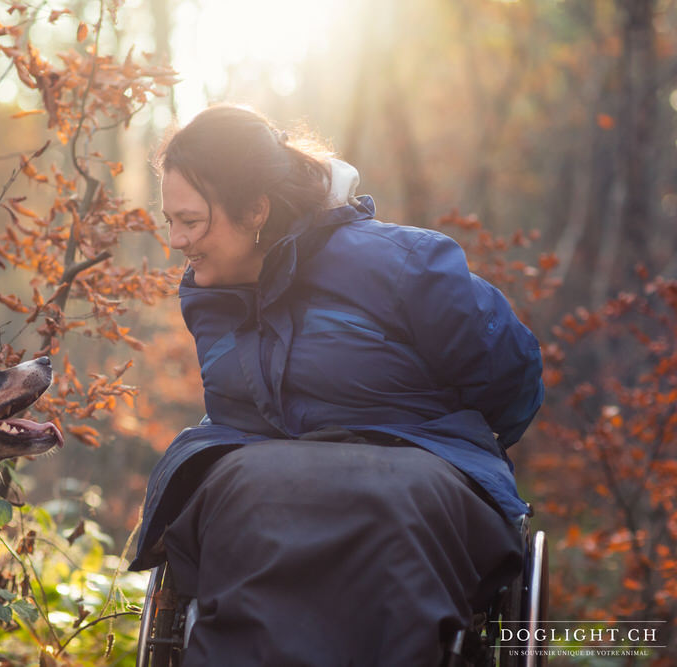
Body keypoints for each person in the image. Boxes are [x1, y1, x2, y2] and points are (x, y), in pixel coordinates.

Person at [129, 105, 544, 666]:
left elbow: (511, 381)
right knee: (241, 493)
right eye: (169, 220)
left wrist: (441, 445)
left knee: (391, 505)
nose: (176, 240)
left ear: (256, 209)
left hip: (415, 470)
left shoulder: (406, 263)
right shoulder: (208, 294)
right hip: (260, 484)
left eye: (192, 221)